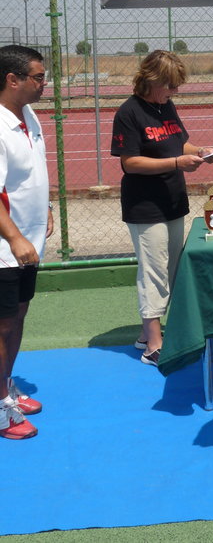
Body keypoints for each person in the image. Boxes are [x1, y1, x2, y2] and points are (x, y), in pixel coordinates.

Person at [110, 50, 213, 367]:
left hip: (173, 199)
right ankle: (153, 345)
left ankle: (147, 333)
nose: (175, 91)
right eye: (170, 85)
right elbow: (130, 162)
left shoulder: (165, 105)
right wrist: (176, 163)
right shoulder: (129, 112)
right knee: (154, 271)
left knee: (170, 270)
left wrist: (201, 151)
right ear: (152, 80)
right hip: (145, 205)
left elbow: (178, 142)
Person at [0, 45, 53, 440]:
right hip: (6, 248)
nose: (44, 83)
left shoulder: (28, 114)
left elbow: (34, 171)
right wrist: (15, 237)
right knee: (2, 326)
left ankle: (5, 386)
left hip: (27, 245)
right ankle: (2, 407)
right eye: (38, 77)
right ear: (12, 79)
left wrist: (46, 207)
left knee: (17, 316)